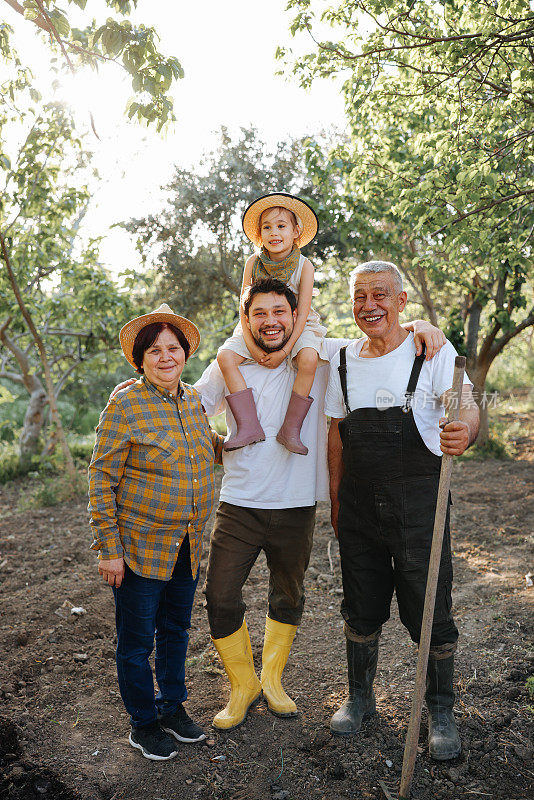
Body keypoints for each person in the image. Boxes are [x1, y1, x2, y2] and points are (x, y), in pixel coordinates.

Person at [195, 277, 447, 731]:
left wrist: (420, 324)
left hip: (296, 505)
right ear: (245, 318)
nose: (270, 321)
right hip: (240, 502)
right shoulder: (229, 362)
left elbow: (379, 333)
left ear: (297, 318)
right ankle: (243, 685)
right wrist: (216, 443)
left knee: (291, 595)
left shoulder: (320, 356)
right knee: (220, 594)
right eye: (259, 313)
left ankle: (272, 680)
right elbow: (190, 408)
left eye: (279, 312)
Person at [324, 261, 479, 760]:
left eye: (380, 295)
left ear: (402, 300)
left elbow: (466, 401)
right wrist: (336, 499)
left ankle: (440, 710)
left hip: (420, 509)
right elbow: (335, 435)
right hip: (359, 509)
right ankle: (360, 698)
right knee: (361, 603)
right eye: (360, 296)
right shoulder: (342, 361)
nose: (370, 305)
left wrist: (466, 430)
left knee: (429, 606)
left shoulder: (431, 350)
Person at [88, 303, 223, 762]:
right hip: (140, 549)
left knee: (176, 631)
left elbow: (202, 453)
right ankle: (143, 723)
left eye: (173, 348)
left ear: (185, 354)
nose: (166, 356)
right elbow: (101, 478)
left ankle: (172, 707)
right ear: (141, 358)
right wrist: (109, 549)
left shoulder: (193, 400)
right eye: (155, 350)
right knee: (137, 641)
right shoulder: (125, 402)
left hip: (187, 545)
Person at [217, 192, 328, 455]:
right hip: (257, 322)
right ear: (260, 233)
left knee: (310, 359)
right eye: (266, 227)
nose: (273, 232)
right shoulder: (253, 262)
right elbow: (243, 306)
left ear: (296, 231)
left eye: (281, 226)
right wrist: (254, 349)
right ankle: (247, 426)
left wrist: (284, 351)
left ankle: (291, 429)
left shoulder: (305, 266)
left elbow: (301, 313)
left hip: (298, 323)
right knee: (225, 357)